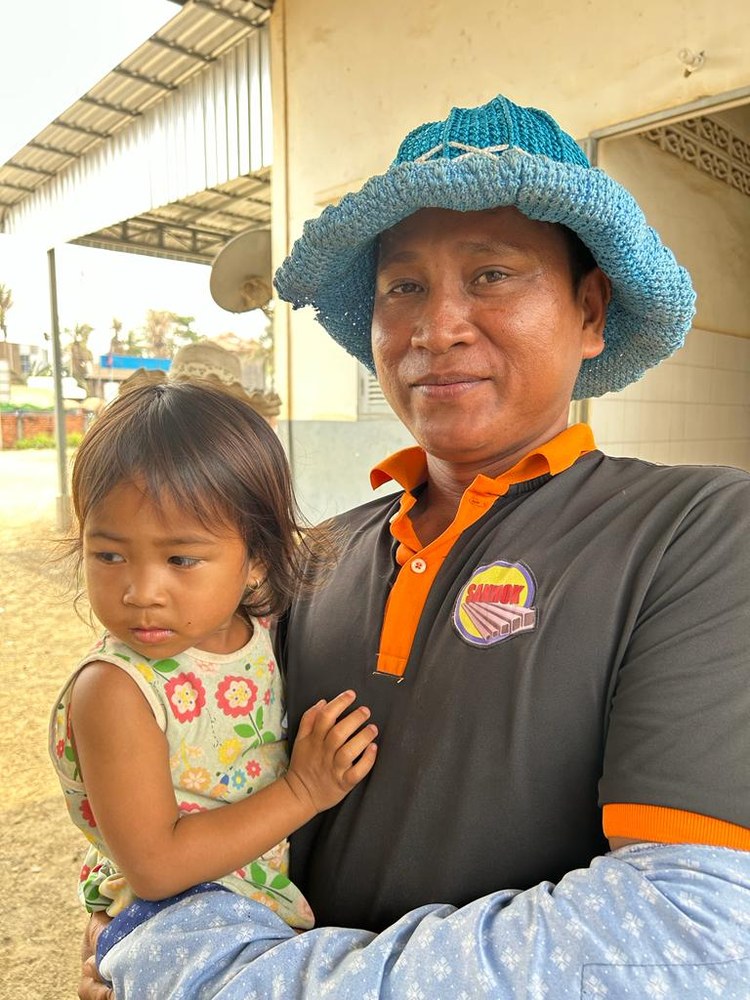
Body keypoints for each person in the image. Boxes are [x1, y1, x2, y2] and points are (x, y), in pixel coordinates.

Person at [80, 93, 749, 998]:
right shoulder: (309, 561)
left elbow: (687, 933)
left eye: (492, 274)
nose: (436, 329)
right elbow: (187, 776)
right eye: (403, 288)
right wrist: (140, 918)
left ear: (591, 310)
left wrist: (207, 972)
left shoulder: (694, 532)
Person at [49, 374, 378, 989]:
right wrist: (303, 790)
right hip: (172, 919)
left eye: (181, 559)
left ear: (257, 558)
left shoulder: (262, 629)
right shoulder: (117, 690)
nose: (141, 591)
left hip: (243, 908)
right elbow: (156, 867)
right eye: (109, 554)